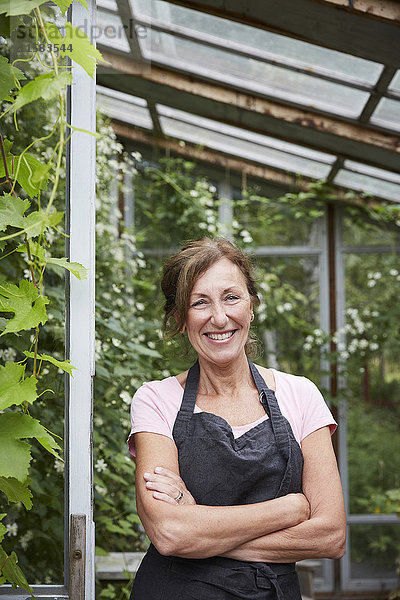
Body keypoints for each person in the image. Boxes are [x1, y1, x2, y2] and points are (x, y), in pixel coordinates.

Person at [127, 237, 346, 600]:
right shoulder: (156, 400)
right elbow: (169, 532)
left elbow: (330, 535)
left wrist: (200, 531)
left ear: (252, 306)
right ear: (180, 319)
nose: (219, 317)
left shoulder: (301, 395)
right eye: (199, 303)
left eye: (231, 297)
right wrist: (290, 508)